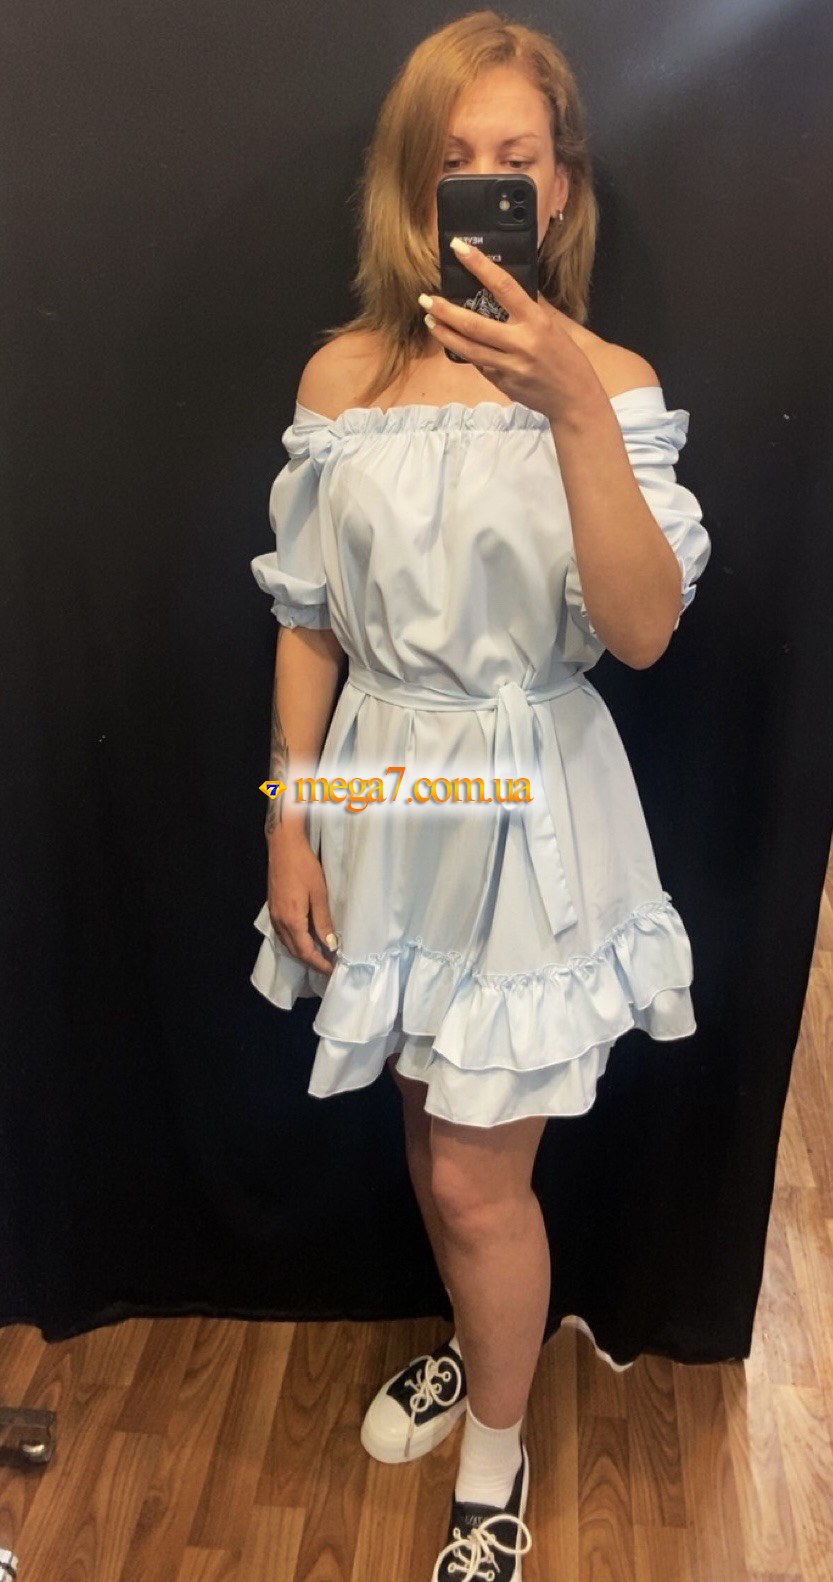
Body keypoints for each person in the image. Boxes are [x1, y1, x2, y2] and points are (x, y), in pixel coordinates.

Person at [249, 11, 712, 1580]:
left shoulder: (615, 386)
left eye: (516, 157)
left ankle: (494, 1458)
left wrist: (571, 407)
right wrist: (289, 813)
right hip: (386, 787)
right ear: (413, 188)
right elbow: (308, 620)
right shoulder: (342, 378)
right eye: (454, 161)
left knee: (471, 1168)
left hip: (528, 806)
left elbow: (640, 629)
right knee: (422, 1114)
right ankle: (476, 1344)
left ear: (561, 186)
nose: (487, 183)